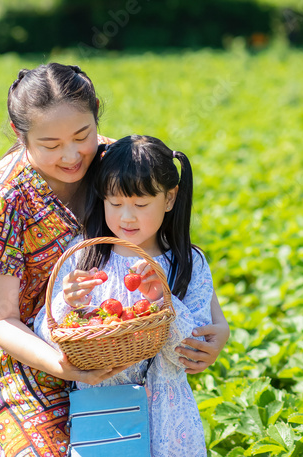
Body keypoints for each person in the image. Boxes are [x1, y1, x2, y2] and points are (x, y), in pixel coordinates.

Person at [0, 63, 230, 456]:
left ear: (96, 114)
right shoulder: (3, 197)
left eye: (82, 135)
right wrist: (64, 365)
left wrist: (217, 327)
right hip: (30, 361)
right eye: (50, 144)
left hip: (122, 358)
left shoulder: (113, 160)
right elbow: (0, 319)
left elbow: (170, 250)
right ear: (21, 135)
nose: (71, 156)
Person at [35, 135, 211, 456]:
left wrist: (164, 301)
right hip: (102, 415)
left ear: (170, 198)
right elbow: (46, 333)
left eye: (141, 204)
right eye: (115, 204)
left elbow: (189, 353)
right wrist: (66, 303)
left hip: (168, 420)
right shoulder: (84, 257)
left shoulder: (187, 263)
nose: (126, 217)